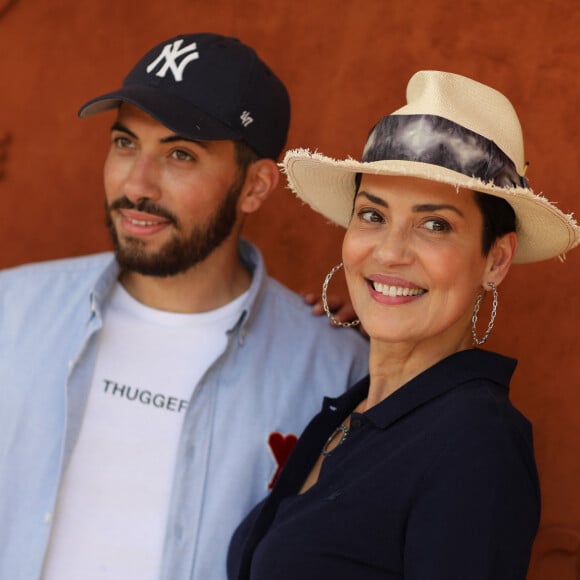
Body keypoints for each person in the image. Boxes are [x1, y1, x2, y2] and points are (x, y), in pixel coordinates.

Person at [0, 33, 369, 580]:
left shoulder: (335, 370)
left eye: (179, 155)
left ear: (255, 186)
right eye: (125, 143)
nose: (136, 183)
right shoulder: (11, 309)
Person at [227, 70, 580, 579]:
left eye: (434, 224)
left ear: (495, 261)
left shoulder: (475, 440)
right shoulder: (351, 410)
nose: (390, 253)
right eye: (372, 215)